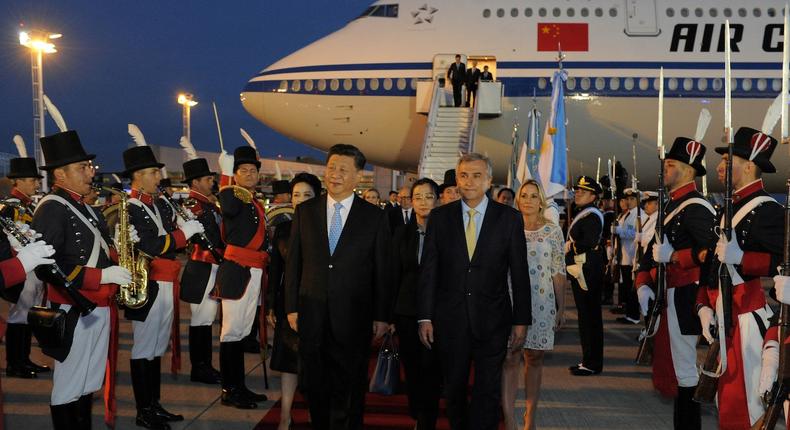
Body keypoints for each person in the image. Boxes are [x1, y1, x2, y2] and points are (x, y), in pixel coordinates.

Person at [418, 153, 530, 430]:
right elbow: (429, 271)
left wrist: (521, 320)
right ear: (457, 179)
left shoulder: (509, 219)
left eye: (477, 175)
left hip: (493, 319)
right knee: (453, 388)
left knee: (488, 389)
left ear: (489, 180)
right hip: (449, 319)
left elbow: (519, 272)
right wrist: (425, 316)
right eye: (464, 175)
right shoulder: (440, 218)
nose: (470, 181)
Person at [285, 144, 392, 429]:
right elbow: (294, 263)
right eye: (332, 167)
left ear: (358, 176)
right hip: (312, 313)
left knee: (350, 386)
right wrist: (291, 307)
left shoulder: (375, 217)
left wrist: (382, 316)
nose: (335, 174)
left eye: (343, 169)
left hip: (354, 317)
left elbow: (382, 270)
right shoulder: (306, 212)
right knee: (314, 384)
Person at [32, 130, 131, 429]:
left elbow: (97, 251)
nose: (90, 172)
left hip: (98, 306)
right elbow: (46, 266)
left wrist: (120, 248)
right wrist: (101, 275)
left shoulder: (87, 207)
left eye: (89, 166)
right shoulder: (52, 207)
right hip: (73, 310)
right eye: (82, 167)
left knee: (88, 382)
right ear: (60, 173)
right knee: (68, 385)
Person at [696, 127, 783, 428]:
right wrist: (702, 306)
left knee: (748, 405)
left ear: (748, 166)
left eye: (727, 160)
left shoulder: (768, 210)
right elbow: (710, 268)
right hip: (725, 316)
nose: (719, 166)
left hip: (748, 319)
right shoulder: (727, 208)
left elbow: (783, 262)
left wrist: (743, 259)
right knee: (728, 402)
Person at [635, 137, 716, 430]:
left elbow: (711, 253)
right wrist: (642, 284)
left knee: (685, 371)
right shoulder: (673, 205)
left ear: (689, 170)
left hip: (686, 295)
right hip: (668, 294)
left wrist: (676, 256)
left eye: (670, 164)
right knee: (681, 370)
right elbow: (648, 255)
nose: (664, 169)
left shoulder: (696, 207)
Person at [123, 145, 205, 428]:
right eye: (151, 173)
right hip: (149, 284)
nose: (158, 177)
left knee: (157, 346)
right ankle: (143, 409)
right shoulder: (131, 207)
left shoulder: (156, 204)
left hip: (166, 280)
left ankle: (154, 404)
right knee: (144, 347)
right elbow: (150, 246)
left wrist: (181, 224)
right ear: (137, 176)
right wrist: (183, 234)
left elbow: (167, 237)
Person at [501, 180, 565, 430]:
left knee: (534, 358)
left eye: (533, 196)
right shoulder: (506, 228)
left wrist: (561, 306)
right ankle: (509, 419)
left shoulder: (553, 232)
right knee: (510, 357)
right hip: (510, 300)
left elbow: (558, 270)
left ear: (541, 202)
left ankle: (530, 417)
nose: (527, 200)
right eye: (523, 195)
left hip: (542, 301)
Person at [214, 146, 270, 409]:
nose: (249, 174)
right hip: (237, 271)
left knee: (242, 332)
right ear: (235, 175)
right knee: (230, 333)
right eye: (243, 170)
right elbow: (227, 208)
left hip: (253, 271)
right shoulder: (233, 195)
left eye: (253, 170)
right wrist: (224, 176)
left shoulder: (252, 199)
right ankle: (229, 389)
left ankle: (239, 386)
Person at [266, 172, 321, 430]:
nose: (300, 200)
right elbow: (275, 271)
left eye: (307, 195)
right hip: (288, 304)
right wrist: (269, 305)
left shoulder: (325, 228)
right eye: (296, 195)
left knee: (313, 362)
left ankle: (315, 410)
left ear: (318, 197)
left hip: (316, 303)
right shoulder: (283, 229)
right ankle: (285, 415)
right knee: (288, 363)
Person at [392, 178, 442, 430]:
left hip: (438, 311)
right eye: (418, 197)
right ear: (411, 202)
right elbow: (392, 274)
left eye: (429, 196)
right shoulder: (401, 233)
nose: (423, 202)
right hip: (406, 310)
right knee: (412, 365)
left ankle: (426, 418)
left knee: (431, 366)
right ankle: (417, 408)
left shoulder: (447, 233)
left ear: (438, 199)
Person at [1, 157, 49, 378]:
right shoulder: (9, 207)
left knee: (27, 315)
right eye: (32, 180)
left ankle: (24, 359)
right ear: (18, 181)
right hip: (21, 268)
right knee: (18, 316)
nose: (36, 184)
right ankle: (15, 363)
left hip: (31, 268)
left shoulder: (26, 206)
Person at [178, 158, 223, 385]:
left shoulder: (208, 204)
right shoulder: (192, 206)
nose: (212, 181)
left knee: (207, 319)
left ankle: (205, 365)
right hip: (202, 267)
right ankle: (200, 367)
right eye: (208, 178)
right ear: (195, 182)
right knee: (201, 319)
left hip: (210, 266)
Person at [566, 176, 605, 376]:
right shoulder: (584, 213)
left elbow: (588, 241)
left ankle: (592, 362)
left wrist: (570, 246)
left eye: (583, 191)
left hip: (587, 272)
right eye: (577, 190)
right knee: (586, 318)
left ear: (593, 196)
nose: (577, 193)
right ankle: (587, 360)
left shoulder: (591, 215)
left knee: (590, 318)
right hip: (583, 271)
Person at [614, 188, 643, 325]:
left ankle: (633, 315)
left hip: (632, 257)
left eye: (632, 199)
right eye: (628, 199)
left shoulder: (638, 215)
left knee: (632, 289)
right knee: (626, 287)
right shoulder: (628, 214)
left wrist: (618, 230)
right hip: (625, 256)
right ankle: (629, 313)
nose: (629, 201)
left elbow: (632, 234)